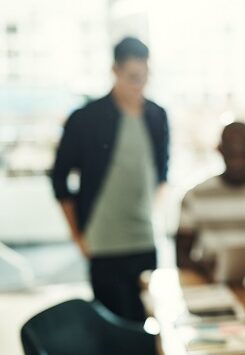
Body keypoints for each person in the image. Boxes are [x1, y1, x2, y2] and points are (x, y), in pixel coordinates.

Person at [51, 37, 169, 322]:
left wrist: (151, 215)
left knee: (148, 328)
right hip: (103, 242)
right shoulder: (86, 118)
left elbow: (162, 173)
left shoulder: (157, 115)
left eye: (144, 76)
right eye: (132, 77)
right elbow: (59, 177)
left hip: (144, 242)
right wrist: (77, 235)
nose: (139, 84)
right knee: (112, 332)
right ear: (115, 71)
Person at [176, 122, 245, 281]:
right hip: (214, 287)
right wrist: (204, 268)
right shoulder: (195, 196)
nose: (237, 151)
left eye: (242, 147)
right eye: (231, 148)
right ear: (220, 149)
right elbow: (181, 257)